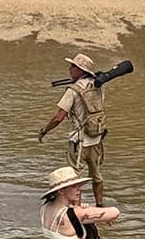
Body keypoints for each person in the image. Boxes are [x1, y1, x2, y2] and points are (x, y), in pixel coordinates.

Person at [38, 53, 108, 206]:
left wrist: (44, 131)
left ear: (81, 71)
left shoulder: (73, 90)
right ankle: (99, 205)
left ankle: (76, 209)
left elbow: (59, 117)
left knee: (74, 179)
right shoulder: (99, 86)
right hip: (96, 138)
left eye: (73, 67)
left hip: (79, 141)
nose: (70, 69)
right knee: (97, 176)